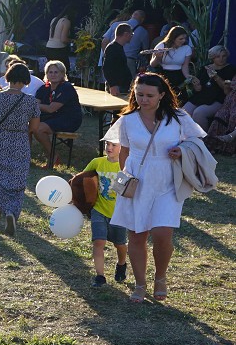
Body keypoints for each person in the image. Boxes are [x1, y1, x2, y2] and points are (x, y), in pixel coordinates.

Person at [103, 73, 208, 302]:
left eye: (150, 95)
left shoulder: (178, 117)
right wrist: (126, 179)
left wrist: (182, 150)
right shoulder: (127, 120)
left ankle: (160, 277)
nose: (144, 99)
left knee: (162, 233)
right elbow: (125, 152)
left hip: (167, 179)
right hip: (137, 181)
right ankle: (140, 284)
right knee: (137, 235)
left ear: (162, 95)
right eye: (139, 94)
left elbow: (197, 141)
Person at [0, 62, 43, 236]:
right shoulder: (30, 101)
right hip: (19, 143)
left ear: (8, 77)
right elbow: (34, 127)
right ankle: (11, 213)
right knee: (16, 181)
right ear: (26, 80)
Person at [83, 141, 129, 287]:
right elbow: (81, 179)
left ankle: (121, 264)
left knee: (120, 244)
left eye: (114, 145)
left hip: (119, 214)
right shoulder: (97, 162)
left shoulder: (126, 166)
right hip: (99, 210)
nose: (109, 148)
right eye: (107, 144)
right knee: (99, 242)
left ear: (123, 147)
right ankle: (100, 276)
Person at [34, 60, 83, 168]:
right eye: (50, 72)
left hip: (68, 119)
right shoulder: (44, 88)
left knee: (39, 128)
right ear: (46, 74)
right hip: (51, 117)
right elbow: (35, 105)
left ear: (62, 74)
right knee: (29, 125)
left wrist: (37, 105)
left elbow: (51, 109)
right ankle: (24, 157)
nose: (53, 75)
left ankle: (53, 156)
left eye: (56, 72)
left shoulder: (66, 88)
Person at [183, 46, 234, 130]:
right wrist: (197, 86)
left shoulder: (231, 69)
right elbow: (198, 88)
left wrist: (216, 77)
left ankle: (204, 139)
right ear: (212, 57)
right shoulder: (206, 68)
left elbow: (226, 89)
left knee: (199, 113)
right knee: (183, 112)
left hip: (218, 99)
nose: (221, 59)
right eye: (218, 57)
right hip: (201, 96)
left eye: (224, 56)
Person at [149, 25, 194, 96]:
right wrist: (157, 58)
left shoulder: (186, 48)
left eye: (185, 38)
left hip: (179, 75)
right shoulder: (161, 46)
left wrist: (188, 77)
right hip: (163, 74)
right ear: (173, 38)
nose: (183, 41)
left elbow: (185, 65)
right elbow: (152, 64)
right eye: (180, 39)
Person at [102, 23, 134, 97]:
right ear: (125, 34)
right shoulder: (112, 48)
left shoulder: (119, 48)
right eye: (131, 34)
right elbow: (107, 68)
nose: (132, 37)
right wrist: (113, 85)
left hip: (122, 85)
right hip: (117, 87)